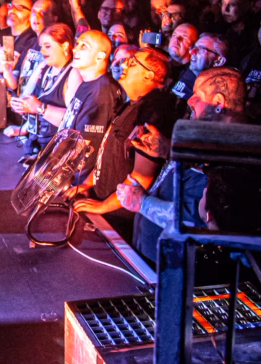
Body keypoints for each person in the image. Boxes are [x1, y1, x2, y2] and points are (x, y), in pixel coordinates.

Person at [119, 68, 247, 263]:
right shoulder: (208, 139)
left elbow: (201, 220)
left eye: (197, 95)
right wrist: (166, 151)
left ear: (218, 103)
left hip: (178, 272)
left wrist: (143, 203)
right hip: (153, 259)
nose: (189, 100)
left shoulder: (236, 153)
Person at [73, 48, 178, 234]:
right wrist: (87, 184)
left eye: (132, 62)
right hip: (105, 208)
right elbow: (107, 153)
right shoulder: (130, 104)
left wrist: (103, 206)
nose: (124, 65)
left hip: (120, 218)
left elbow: (142, 177)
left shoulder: (154, 109)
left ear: (149, 75)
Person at [58, 31, 122, 183]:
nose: (75, 49)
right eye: (77, 44)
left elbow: (88, 146)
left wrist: (70, 182)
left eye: (84, 46)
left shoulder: (102, 91)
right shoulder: (89, 83)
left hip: (79, 181)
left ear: (100, 56)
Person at [8, 23, 80, 156]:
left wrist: (41, 108)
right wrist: (20, 105)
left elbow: (73, 120)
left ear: (64, 45)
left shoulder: (73, 73)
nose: (42, 51)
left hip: (56, 152)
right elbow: (26, 97)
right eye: (41, 47)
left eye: (48, 46)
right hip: (35, 145)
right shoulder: (43, 67)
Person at [166, 23, 198, 99]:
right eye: (174, 35)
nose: (177, 39)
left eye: (184, 37)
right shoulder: (161, 63)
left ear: (193, 46)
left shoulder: (193, 75)